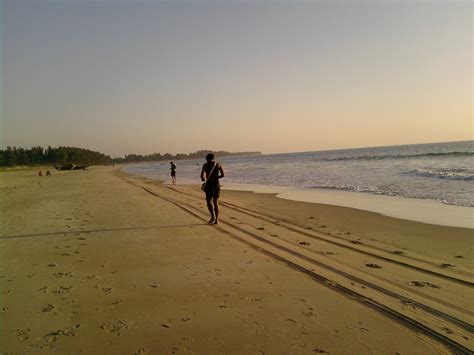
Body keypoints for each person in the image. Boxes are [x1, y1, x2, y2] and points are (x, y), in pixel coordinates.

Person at [200, 153, 224, 224]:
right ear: (213, 158)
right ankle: (217, 220)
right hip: (216, 185)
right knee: (216, 203)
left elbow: (202, 177)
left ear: (206, 159)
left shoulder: (205, 165)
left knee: (208, 202)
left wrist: (204, 178)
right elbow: (223, 175)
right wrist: (216, 177)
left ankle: (212, 216)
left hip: (209, 186)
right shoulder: (218, 164)